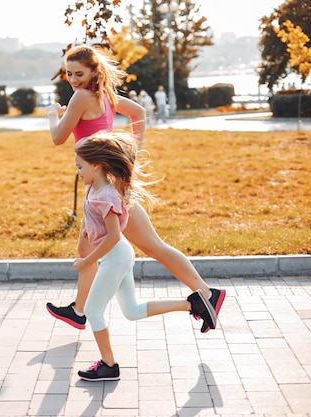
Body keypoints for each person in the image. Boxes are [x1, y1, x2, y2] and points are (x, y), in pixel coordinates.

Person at [46, 44, 225, 334]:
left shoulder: (80, 97)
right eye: (69, 73)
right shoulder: (103, 96)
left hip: (107, 188)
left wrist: (53, 113)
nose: (73, 79)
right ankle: (79, 310)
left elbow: (57, 137)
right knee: (85, 245)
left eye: (79, 73)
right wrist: (132, 151)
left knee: (154, 246)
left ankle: (207, 294)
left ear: (94, 71)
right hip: (104, 183)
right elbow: (138, 111)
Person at [73, 131, 216, 381]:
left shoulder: (106, 195)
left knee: (93, 310)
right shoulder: (93, 189)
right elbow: (95, 223)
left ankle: (109, 365)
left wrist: (87, 261)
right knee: (132, 310)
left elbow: (114, 236)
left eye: (80, 166)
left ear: (96, 166)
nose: (78, 172)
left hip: (116, 256)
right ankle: (193, 305)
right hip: (115, 257)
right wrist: (87, 230)